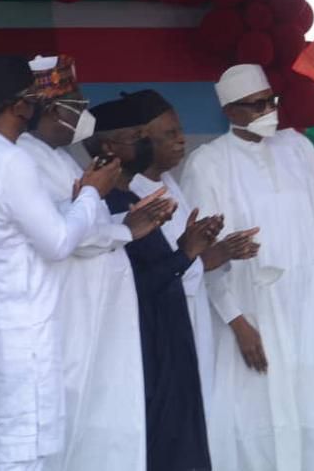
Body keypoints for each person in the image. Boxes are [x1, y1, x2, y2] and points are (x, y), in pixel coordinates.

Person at [180, 64, 314, 471]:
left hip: (307, 303)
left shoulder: (298, 148)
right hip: (250, 310)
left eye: (270, 101)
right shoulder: (207, 163)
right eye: (256, 106)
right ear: (230, 112)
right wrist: (237, 322)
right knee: (256, 415)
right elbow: (202, 256)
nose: (268, 112)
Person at [0, 54, 120, 471]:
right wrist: (91, 193)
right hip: (18, 329)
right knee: (18, 454)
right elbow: (59, 241)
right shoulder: (10, 161)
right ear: (21, 106)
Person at [17, 56, 171, 471]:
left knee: (104, 425)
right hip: (68, 315)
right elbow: (66, 232)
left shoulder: (60, 159)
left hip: (97, 314)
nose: (85, 111)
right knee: (71, 429)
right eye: (77, 102)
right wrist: (121, 227)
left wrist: (129, 221)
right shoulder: (24, 159)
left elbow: (92, 223)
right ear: (51, 109)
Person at [88, 96, 217, 471]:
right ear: (110, 147)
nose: (147, 143)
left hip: (169, 346)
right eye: (138, 136)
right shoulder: (107, 204)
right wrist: (185, 254)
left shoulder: (132, 196)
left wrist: (190, 249)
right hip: (145, 352)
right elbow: (127, 286)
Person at [123, 88, 260, 415]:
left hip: (191, 320)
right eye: (169, 134)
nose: (181, 139)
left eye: (181, 130)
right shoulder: (132, 196)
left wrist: (220, 249)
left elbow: (192, 257)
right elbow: (164, 270)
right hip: (161, 330)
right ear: (144, 140)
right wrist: (216, 253)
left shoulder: (171, 184)